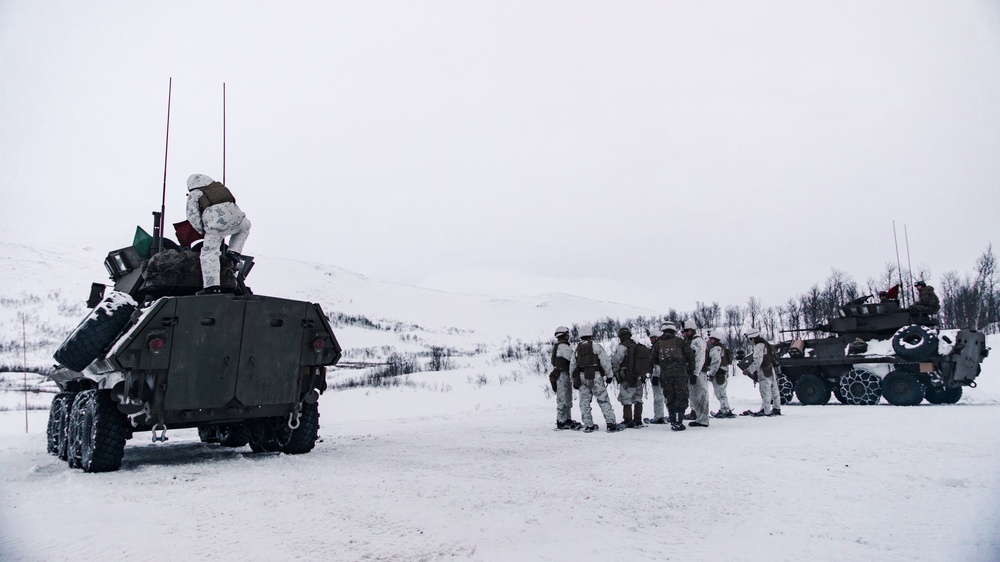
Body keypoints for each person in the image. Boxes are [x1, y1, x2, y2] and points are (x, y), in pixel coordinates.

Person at [185, 173, 252, 293]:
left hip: (216, 225)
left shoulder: (194, 193)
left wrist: (202, 230)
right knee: (245, 227)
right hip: (238, 219)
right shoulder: (218, 187)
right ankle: (234, 252)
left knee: (209, 254)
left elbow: (192, 216)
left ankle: (212, 287)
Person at [570, 325, 620, 433]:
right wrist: (609, 375)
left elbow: (572, 366)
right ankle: (611, 423)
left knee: (584, 402)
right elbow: (605, 361)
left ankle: (588, 425)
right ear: (590, 334)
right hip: (595, 376)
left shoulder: (577, 349)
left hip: (582, 378)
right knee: (603, 400)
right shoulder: (596, 346)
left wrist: (574, 380)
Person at [650, 321, 695, 431]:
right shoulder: (680, 341)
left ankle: (672, 420)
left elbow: (653, 358)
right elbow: (690, 356)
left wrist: (664, 363)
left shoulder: (658, 343)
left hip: (665, 374)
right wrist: (691, 371)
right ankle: (679, 422)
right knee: (681, 395)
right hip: (680, 373)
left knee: (670, 396)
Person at [610, 327, 649, 428]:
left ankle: (627, 419)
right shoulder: (636, 346)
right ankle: (638, 419)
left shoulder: (622, 347)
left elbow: (616, 361)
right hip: (639, 376)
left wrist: (615, 373)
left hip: (626, 376)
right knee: (638, 398)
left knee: (626, 397)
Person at [550, 326, 582, 430]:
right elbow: (573, 358)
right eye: (567, 335)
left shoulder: (560, 346)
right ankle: (561, 421)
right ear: (564, 335)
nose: (568, 336)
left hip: (564, 374)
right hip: (562, 375)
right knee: (563, 398)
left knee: (567, 398)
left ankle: (567, 419)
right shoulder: (563, 347)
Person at [744, 328, 781, 416]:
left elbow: (757, 361)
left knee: (765, 390)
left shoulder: (758, 345)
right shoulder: (765, 343)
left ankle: (765, 410)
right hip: (771, 368)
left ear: (752, 338)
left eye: (750, 339)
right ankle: (777, 408)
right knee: (774, 390)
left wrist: (749, 370)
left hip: (764, 370)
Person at [681, 320, 709, 428]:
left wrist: (695, 373)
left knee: (701, 395)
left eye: (687, 331)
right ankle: (699, 417)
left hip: (698, 373)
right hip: (691, 373)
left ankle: (703, 420)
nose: (685, 333)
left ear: (692, 330)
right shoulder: (689, 341)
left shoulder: (698, 341)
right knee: (694, 396)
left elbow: (699, 358)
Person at [706, 329, 735, 418]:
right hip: (723, 372)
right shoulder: (722, 348)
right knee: (721, 392)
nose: (710, 341)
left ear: (716, 339)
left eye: (711, 339)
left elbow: (715, 362)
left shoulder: (716, 349)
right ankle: (725, 409)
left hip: (719, 373)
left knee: (720, 393)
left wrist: (711, 374)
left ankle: (725, 410)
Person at [645, 327, 667, 424]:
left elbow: (657, 363)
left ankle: (659, 416)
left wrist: (656, 375)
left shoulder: (657, 347)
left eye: (652, 338)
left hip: (658, 375)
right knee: (665, 395)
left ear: (657, 337)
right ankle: (670, 415)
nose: (650, 340)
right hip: (665, 374)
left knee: (658, 396)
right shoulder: (665, 346)